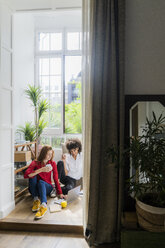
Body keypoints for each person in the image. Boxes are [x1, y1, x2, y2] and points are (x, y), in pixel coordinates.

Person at [24, 145, 65, 219]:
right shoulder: (35, 162)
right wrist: (41, 169)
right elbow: (27, 174)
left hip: (47, 188)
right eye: (48, 154)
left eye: (51, 154)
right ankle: (36, 200)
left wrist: (60, 192)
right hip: (35, 190)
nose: (50, 156)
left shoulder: (52, 163)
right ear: (43, 153)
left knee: (41, 182)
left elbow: (55, 179)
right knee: (32, 176)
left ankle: (43, 205)